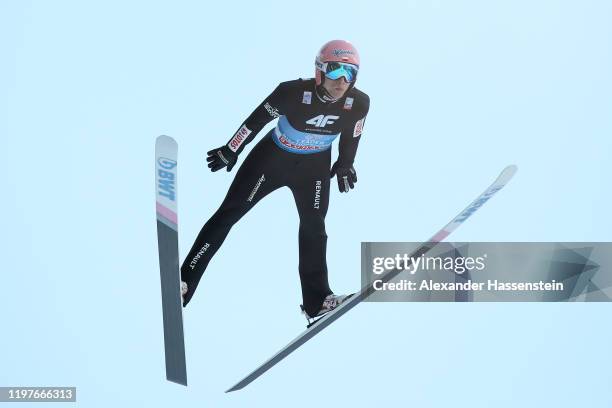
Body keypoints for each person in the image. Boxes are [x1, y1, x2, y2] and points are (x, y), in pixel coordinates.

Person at [180, 39, 370, 321]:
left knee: (314, 227)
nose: (342, 80)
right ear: (319, 71)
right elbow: (255, 121)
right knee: (229, 214)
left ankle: (317, 301)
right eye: (334, 71)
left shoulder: (359, 104)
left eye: (350, 73)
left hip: (314, 169)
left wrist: (345, 164)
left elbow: (353, 135)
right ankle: (184, 281)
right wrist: (231, 149)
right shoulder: (291, 92)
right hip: (271, 160)